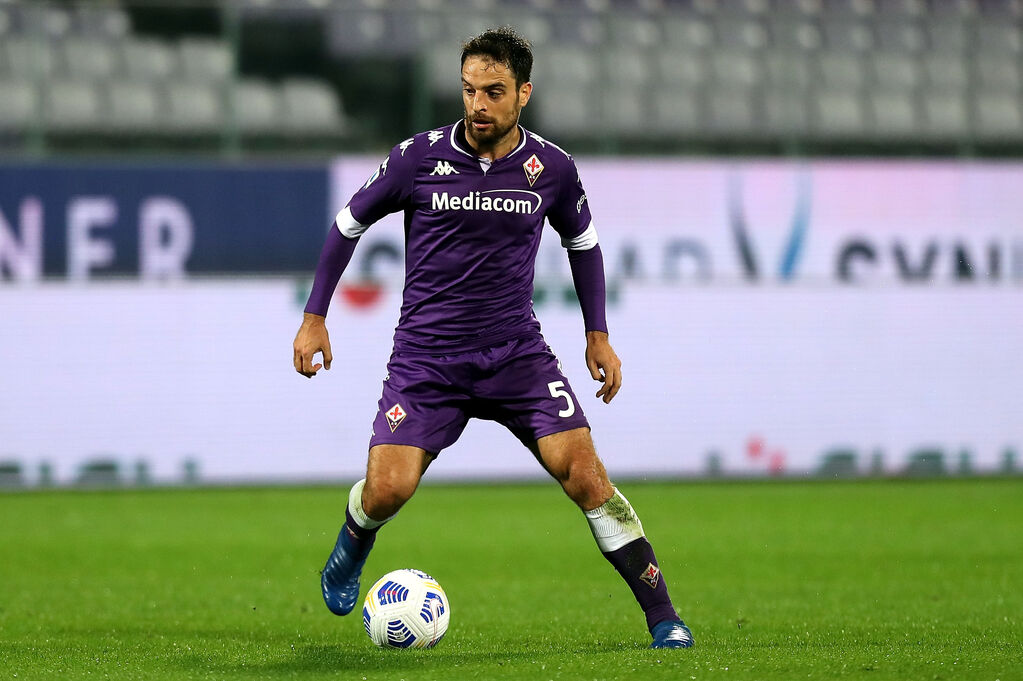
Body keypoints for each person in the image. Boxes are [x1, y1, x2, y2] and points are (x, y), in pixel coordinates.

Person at [292, 27, 693, 649]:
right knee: (388, 489)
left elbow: (583, 246)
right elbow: (348, 225)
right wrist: (316, 315)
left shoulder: (551, 169)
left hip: (516, 355)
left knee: (587, 476)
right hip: (427, 358)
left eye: (493, 92)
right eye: (469, 90)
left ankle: (664, 616)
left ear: (523, 94)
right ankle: (355, 533)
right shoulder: (416, 158)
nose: (478, 104)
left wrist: (598, 334)